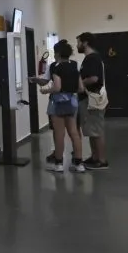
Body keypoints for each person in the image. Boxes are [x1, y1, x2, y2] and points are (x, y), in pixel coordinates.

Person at [42, 41, 86, 174]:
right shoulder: (74, 65)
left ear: (58, 53)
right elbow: (81, 88)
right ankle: (79, 163)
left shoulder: (56, 67)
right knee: (74, 132)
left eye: (55, 52)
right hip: (72, 102)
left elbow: (57, 87)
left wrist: (44, 91)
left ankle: (59, 164)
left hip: (58, 103)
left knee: (59, 134)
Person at [76, 33, 108, 170]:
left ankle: (101, 160)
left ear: (85, 43)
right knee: (91, 130)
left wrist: (79, 85)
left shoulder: (92, 59)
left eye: (78, 42)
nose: (77, 45)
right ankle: (94, 157)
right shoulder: (90, 58)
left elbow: (94, 78)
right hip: (88, 99)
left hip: (92, 99)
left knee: (96, 131)